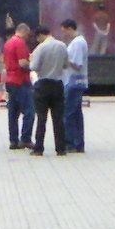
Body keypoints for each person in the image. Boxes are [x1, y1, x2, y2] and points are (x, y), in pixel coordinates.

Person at [27, 24, 69, 157]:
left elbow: (33, 66)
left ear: (40, 35)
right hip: (57, 84)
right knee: (58, 119)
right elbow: (66, 65)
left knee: (41, 118)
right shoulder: (62, 45)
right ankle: (61, 148)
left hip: (43, 85)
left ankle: (39, 148)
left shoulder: (41, 47)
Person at [2, 23, 35, 150]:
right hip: (21, 80)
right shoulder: (20, 43)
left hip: (10, 80)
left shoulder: (8, 43)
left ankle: (13, 141)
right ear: (24, 31)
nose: (28, 37)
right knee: (29, 111)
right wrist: (32, 64)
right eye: (27, 34)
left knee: (13, 112)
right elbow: (22, 63)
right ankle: (25, 139)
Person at [60, 18, 88, 154]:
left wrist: (64, 59)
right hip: (77, 81)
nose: (63, 34)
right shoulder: (78, 42)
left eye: (64, 31)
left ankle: (70, 143)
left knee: (68, 113)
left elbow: (77, 65)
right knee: (76, 114)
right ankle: (79, 143)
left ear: (70, 28)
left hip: (74, 81)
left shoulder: (77, 43)